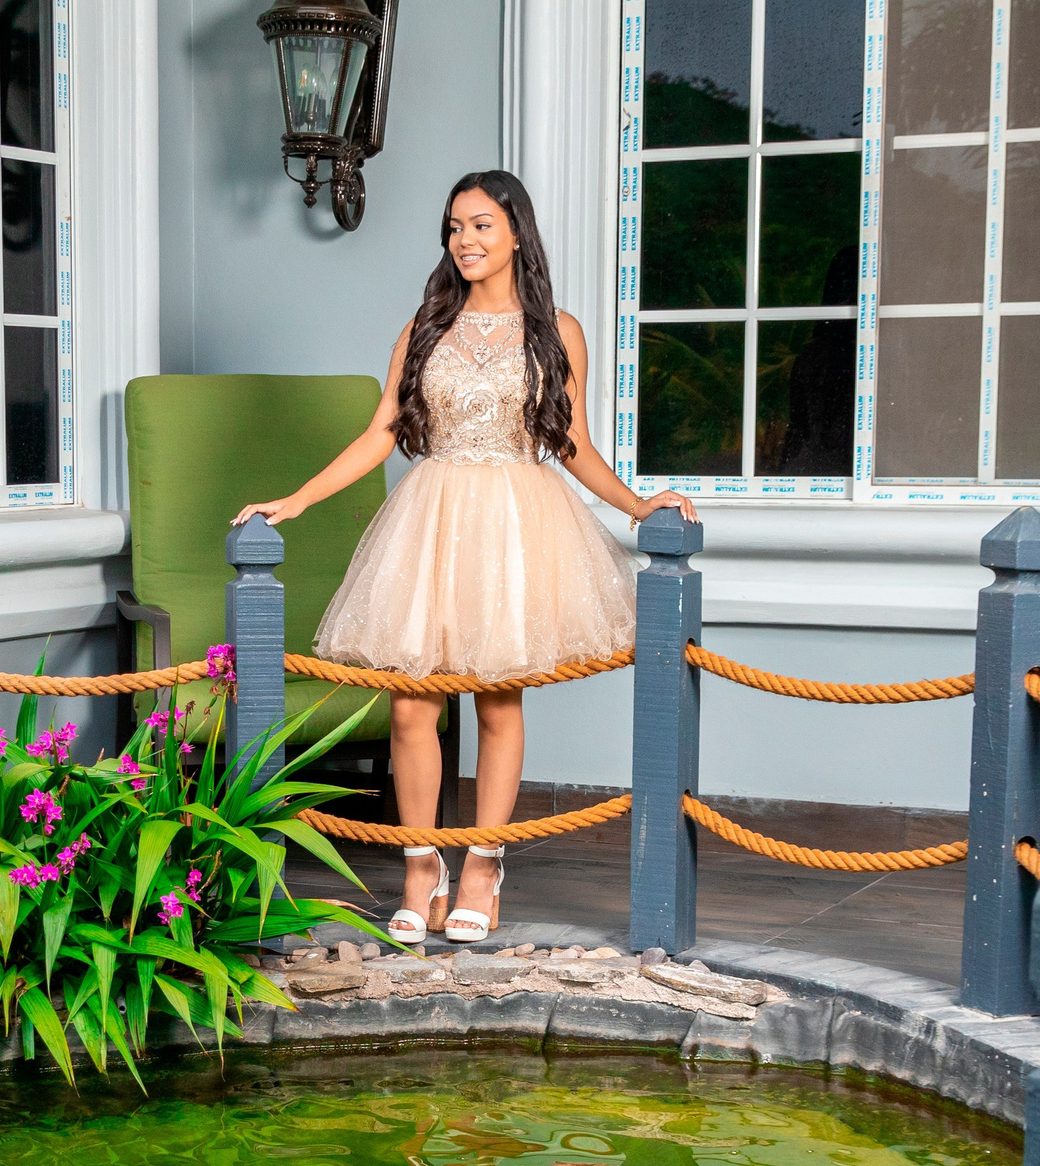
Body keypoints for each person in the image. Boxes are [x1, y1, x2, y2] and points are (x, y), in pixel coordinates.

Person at [232, 169, 698, 944]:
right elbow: (383, 431)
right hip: (432, 520)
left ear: (517, 232)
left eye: (481, 225)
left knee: (498, 698)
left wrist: (636, 504)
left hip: (517, 522)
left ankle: (484, 865)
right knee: (410, 703)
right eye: (454, 227)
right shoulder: (426, 324)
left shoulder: (557, 331)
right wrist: (299, 498)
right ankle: (422, 867)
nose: (465, 240)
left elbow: (573, 444)